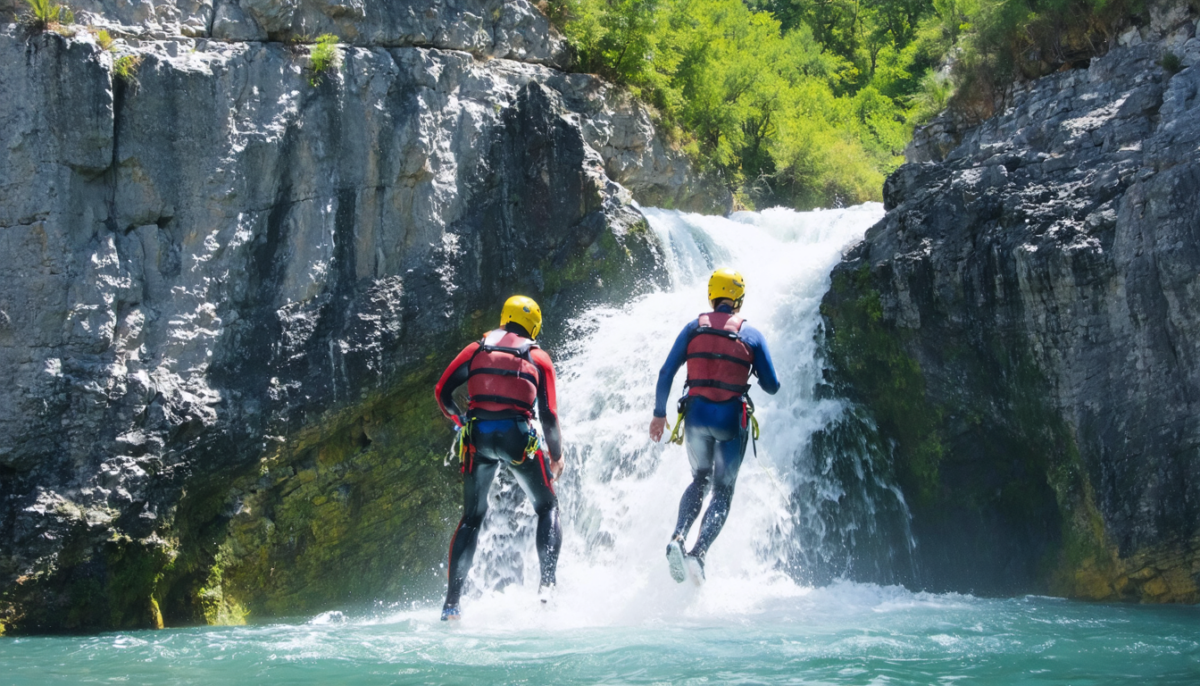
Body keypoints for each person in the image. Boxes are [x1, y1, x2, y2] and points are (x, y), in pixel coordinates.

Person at [433, 295, 565, 620]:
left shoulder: (475, 349)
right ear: (534, 326)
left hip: (477, 438)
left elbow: (442, 392)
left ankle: (451, 605)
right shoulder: (539, 357)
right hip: (517, 439)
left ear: (504, 319)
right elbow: (548, 415)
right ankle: (547, 585)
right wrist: (557, 456)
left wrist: (460, 421)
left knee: (472, 518)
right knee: (547, 506)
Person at [648, 268, 780, 582]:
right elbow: (773, 385)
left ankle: (678, 537)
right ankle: (698, 553)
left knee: (699, 478)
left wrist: (658, 413)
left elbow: (667, 372)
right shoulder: (751, 335)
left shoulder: (693, 328)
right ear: (739, 299)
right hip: (729, 420)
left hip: (695, 417)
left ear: (712, 295)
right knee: (722, 489)